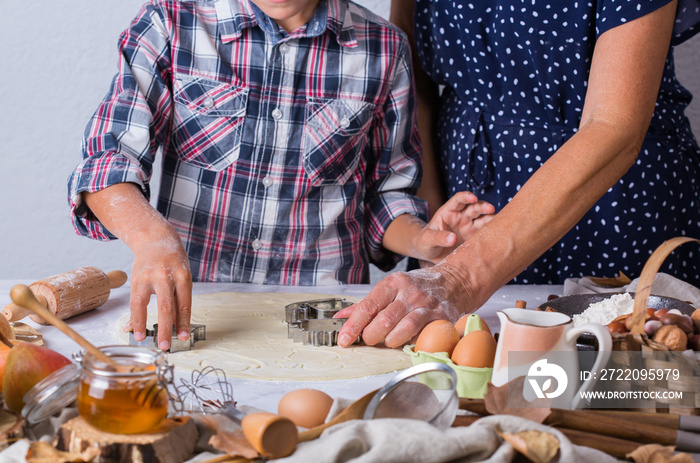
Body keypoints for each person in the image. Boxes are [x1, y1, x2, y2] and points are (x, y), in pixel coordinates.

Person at [67, 0, 495, 350]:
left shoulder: (384, 49)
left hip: (330, 317)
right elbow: (108, 160)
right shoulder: (171, 22)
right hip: (198, 312)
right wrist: (150, 238)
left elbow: (386, 195)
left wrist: (422, 240)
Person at [336, 0, 700, 348]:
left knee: (620, 382)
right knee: (484, 390)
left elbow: (613, 127)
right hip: (470, 207)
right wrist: (433, 233)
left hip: (614, 208)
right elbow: (414, 80)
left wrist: (461, 277)